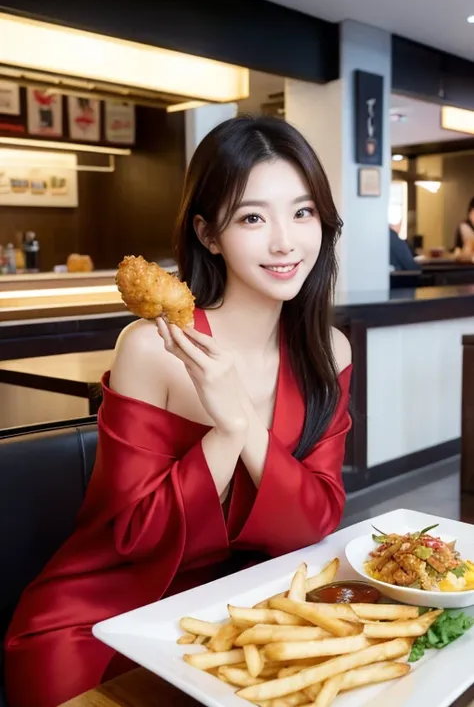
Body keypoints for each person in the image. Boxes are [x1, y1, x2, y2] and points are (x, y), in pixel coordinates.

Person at [5, 116, 352, 707]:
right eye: (251, 217)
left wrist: (238, 418)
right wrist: (229, 429)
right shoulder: (149, 347)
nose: (285, 242)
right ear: (208, 233)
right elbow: (135, 539)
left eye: (302, 212)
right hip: (98, 615)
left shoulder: (329, 351)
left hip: (227, 609)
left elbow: (315, 521)